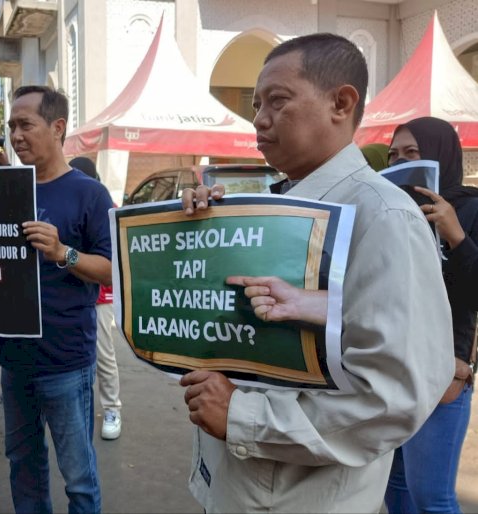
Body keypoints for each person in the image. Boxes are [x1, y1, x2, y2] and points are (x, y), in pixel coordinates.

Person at [179, 34, 454, 513]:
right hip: (234, 486)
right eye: (256, 104)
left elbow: (392, 398)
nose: (259, 119)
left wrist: (242, 416)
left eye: (278, 101)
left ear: (341, 103)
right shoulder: (273, 208)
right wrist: (209, 236)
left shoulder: (385, 216)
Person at [0, 86, 113, 513]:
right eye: (11, 127)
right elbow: (1, 253)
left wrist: (64, 253)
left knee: (77, 475)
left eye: (26, 125)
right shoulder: (2, 188)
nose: (16, 136)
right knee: (23, 462)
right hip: (14, 355)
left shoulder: (88, 194)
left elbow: (113, 270)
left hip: (65, 357)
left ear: (57, 128)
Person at [383, 116, 478, 513]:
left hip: (444, 368)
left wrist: (455, 234)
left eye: (412, 153)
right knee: (396, 488)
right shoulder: (391, 211)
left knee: (431, 497)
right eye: (393, 156)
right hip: (392, 365)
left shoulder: (471, 208)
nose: (399, 161)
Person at [69, 156, 123, 440]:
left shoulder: (104, 206)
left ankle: (112, 408)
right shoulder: (72, 201)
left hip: (100, 296)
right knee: (78, 361)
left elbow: (110, 259)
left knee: (103, 355)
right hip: (74, 292)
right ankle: (82, 408)